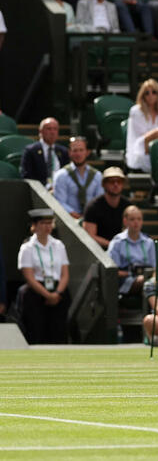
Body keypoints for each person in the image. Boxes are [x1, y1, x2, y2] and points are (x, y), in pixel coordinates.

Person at [15, 209, 71, 344]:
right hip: (36, 292)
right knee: (36, 330)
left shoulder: (58, 245)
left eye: (50, 223)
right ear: (34, 226)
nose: (47, 226)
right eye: (43, 223)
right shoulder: (27, 248)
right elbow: (29, 277)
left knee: (58, 331)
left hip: (58, 291)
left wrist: (57, 293)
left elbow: (65, 274)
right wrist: (47, 295)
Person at [108, 205, 155, 295]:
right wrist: (130, 273)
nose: (136, 222)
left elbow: (154, 267)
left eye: (139, 219)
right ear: (125, 221)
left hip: (148, 277)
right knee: (147, 282)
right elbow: (113, 272)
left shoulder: (149, 242)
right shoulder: (117, 242)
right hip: (126, 281)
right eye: (132, 219)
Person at [52, 136, 103, 219]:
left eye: (81, 150)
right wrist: (76, 216)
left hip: (91, 219)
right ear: (69, 152)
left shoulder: (97, 176)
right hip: (68, 219)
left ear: (87, 152)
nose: (78, 154)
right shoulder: (61, 175)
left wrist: (88, 217)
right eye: (75, 150)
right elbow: (60, 201)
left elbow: (99, 201)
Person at [82, 167, 132, 249]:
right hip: (99, 252)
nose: (116, 184)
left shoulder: (128, 206)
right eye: (111, 181)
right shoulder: (93, 206)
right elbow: (89, 236)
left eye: (119, 181)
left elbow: (132, 232)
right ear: (104, 184)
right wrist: (112, 246)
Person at [20, 117, 69, 187]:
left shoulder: (63, 151)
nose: (52, 132)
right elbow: (27, 176)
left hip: (60, 189)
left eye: (55, 129)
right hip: (40, 190)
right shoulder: (31, 151)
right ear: (41, 131)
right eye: (49, 129)